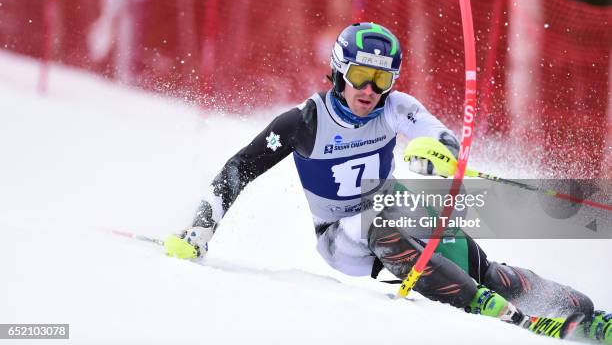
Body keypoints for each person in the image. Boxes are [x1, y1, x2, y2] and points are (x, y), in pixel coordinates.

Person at [171, 22, 610, 342]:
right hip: (340, 236)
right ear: (340, 71)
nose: (369, 89)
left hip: (396, 208)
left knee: (480, 265)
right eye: (361, 76)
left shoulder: (393, 106)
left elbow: (439, 134)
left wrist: (435, 152)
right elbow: (238, 167)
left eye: (381, 79)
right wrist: (200, 231)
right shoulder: (305, 121)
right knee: (381, 218)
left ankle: (581, 313)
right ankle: (480, 305)